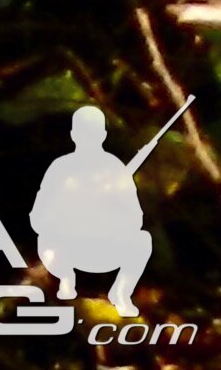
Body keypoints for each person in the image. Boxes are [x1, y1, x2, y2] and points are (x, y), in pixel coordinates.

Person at [32, 105, 154, 310]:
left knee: (143, 241)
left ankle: (121, 293)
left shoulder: (115, 167)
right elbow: (38, 217)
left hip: (103, 247)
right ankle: (64, 283)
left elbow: (136, 219)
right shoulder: (60, 167)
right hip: (65, 249)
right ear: (73, 135)